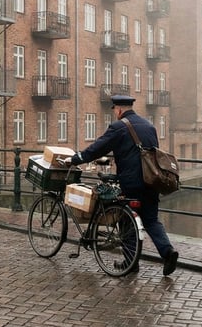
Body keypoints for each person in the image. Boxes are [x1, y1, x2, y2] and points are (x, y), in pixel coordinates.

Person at [62, 94, 179, 276]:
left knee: (125, 221)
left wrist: (76, 159)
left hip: (131, 183)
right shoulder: (149, 126)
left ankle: (130, 262)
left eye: (115, 110)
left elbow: (98, 148)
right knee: (151, 220)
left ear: (118, 109)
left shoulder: (118, 127)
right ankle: (168, 252)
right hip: (152, 180)